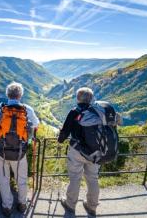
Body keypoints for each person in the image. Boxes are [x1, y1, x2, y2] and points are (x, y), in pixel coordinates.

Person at [0, 82, 39, 217]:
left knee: (3, 179)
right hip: (20, 152)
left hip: (2, 151)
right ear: (20, 95)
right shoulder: (27, 109)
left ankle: (7, 206)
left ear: (7, 95)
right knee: (21, 179)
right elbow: (36, 124)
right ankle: (22, 204)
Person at [57, 87, 100, 217]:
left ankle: (70, 205)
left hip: (77, 150)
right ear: (91, 99)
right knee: (92, 178)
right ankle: (92, 206)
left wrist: (60, 140)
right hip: (95, 152)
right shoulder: (98, 112)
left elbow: (65, 131)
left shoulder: (74, 111)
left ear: (77, 98)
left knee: (75, 177)